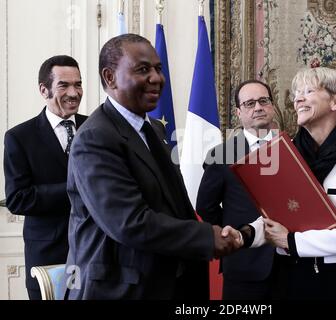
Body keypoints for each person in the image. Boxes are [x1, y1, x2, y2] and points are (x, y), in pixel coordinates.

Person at [64, 33, 240, 300]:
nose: (157, 78)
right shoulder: (94, 138)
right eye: (143, 69)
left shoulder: (154, 129)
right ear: (110, 77)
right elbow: (129, 222)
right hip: (120, 289)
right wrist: (206, 237)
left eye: (159, 69)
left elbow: (174, 204)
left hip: (168, 281)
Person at [240, 67, 336, 300]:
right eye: (296, 93)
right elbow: (275, 218)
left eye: (309, 91)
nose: (298, 99)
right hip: (291, 275)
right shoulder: (280, 153)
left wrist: (291, 240)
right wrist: (244, 235)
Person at [3, 55, 87, 300]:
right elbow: (18, 199)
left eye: (78, 84)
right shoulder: (19, 137)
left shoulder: (97, 128)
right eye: (64, 85)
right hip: (49, 258)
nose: (74, 92)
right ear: (44, 89)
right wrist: (76, 188)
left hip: (95, 253)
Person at [196, 80, 277, 299]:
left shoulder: (291, 148)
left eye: (263, 101)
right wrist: (237, 232)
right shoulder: (220, 154)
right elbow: (205, 206)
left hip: (291, 264)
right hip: (244, 265)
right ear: (239, 113)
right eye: (250, 103)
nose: (258, 107)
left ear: (272, 106)